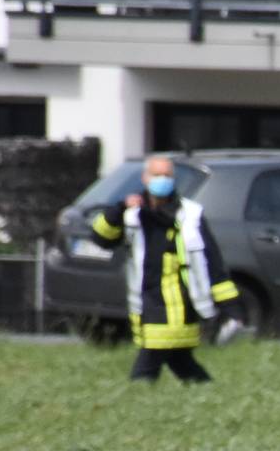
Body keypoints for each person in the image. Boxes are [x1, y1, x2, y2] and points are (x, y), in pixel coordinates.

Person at [90, 155, 245, 384]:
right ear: (145, 178)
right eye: (157, 175)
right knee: (179, 359)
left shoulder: (191, 215)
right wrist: (120, 208)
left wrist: (232, 309)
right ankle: (205, 389)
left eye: (167, 175)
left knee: (151, 358)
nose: (162, 180)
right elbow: (101, 238)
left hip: (180, 301)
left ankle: (137, 395)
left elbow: (213, 263)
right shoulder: (132, 214)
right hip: (147, 297)